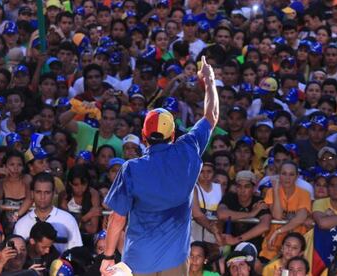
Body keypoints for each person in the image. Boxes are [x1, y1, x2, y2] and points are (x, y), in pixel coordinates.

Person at [100, 56, 219, 275]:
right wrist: (209, 82)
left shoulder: (131, 169)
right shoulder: (188, 149)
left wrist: (108, 257)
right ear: (172, 135)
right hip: (175, 262)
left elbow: (117, 219)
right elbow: (211, 116)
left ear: (143, 136)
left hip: (138, 262)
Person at [14, 172, 83, 253]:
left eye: (47, 192)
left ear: (53, 193)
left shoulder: (68, 220)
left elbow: (76, 252)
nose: (42, 197)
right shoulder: (21, 224)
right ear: (32, 193)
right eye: (38, 192)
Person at [218, 170, 271, 251]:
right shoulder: (230, 197)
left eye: (247, 186)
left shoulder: (258, 202)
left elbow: (265, 225)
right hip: (229, 248)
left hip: (252, 248)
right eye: (239, 186)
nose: (242, 190)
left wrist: (236, 240)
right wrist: (250, 214)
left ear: (254, 188)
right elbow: (221, 214)